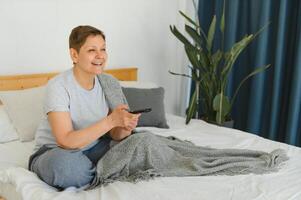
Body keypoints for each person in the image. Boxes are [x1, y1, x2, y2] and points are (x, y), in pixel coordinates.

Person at [28, 25, 140, 190]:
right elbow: (65, 140)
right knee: (65, 166)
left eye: (103, 49)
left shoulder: (109, 83)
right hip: (56, 152)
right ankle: (110, 171)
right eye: (91, 50)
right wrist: (110, 121)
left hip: (94, 147)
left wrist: (125, 127)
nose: (100, 56)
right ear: (74, 54)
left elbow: (116, 135)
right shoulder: (58, 86)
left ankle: (99, 171)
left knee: (141, 143)